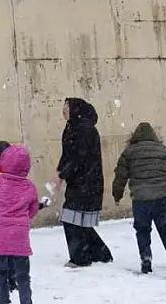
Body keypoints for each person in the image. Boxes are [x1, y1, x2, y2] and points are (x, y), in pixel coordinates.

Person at [112, 122, 166, 274]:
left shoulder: (128, 153)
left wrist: (117, 195)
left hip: (141, 199)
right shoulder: (163, 150)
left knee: (142, 230)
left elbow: (120, 177)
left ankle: (146, 259)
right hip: (162, 197)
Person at [56, 98, 113, 267]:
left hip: (87, 181)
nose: (63, 110)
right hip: (79, 181)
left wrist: (63, 174)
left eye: (66, 107)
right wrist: (60, 172)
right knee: (79, 220)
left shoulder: (85, 130)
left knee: (71, 218)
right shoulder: (72, 127)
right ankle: (101, 254)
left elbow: (79, 157)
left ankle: (81, 258)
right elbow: (67, 155)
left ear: (75, 109)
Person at [0, 145, 40, 304]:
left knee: (0, 272)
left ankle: (3, 301)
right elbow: (33, 209)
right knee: (23, 276)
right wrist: (23, 218)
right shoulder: (29, 186)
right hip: (19, 236)